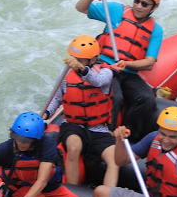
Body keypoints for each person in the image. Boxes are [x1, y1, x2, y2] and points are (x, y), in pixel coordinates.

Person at [75, 0, 164, 142]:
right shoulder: (117, 11)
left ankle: (129, 135)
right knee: (116, 97)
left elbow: (149, 62)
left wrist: (126, 64)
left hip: (128, 72)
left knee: (147, 99)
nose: (138, 6)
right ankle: (107, 136)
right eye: (136, 0)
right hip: (104, 66)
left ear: (154, 7)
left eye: (144, 4)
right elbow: (81, 8)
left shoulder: (156, 30)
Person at [43, 35, 120, 186]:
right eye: (73, 57)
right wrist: (45, 115)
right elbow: (56, 99)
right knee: (73, 147)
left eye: (79, 59)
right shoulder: (65, 75)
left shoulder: (105, 73)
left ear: (93, 59)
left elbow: (97, 81)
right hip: (73, 126)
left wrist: (81, 68)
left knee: (114, 160)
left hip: (99, 129)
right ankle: (73, 192)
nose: (74, 62)